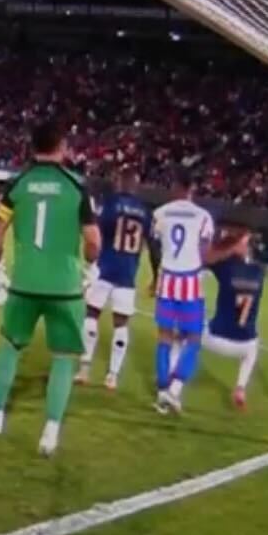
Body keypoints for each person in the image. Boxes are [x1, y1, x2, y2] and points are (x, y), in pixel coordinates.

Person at [0, 122, 102, 457]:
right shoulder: (77, 186)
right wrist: (90, 268)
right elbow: (93, 241)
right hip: (65, 288)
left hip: (24, 283)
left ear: (32, 146)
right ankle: (50, 432)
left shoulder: (17, 183)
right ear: (62, 147)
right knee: (63, 357)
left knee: (10, 347)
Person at [78, 167, 154, 390]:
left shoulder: (111, 203)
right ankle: (112, 377)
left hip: (104, 268)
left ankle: (84, 369)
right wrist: (156, 274)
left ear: (119, 182)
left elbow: (97, 233)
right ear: (136, 185)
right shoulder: (145, 211)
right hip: (127, 273)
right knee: (121, 323)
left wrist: (90, 260)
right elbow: (152, 245)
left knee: (92, 314)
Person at [149, 174, 215, 414]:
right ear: (192, 188)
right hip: (190, 282)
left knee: (164, 336)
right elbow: (204, 253)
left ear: (175, 186)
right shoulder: (203, 216)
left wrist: (155, 276)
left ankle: (162, 390)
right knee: (194, 338)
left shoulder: (160, 213)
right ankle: (175, 389)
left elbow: (154, 247)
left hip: (167, 280)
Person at [203, 223, 265, 410]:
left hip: (215, 338)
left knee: (184, 331)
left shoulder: (227, 268)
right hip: (245, 344)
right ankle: (240, 387)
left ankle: (173, 385)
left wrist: (228, 244)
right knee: (254, 346)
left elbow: (207, 258)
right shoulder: (259, 272)